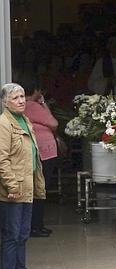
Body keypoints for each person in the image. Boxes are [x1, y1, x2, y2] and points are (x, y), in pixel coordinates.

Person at [0, 83, 47, 269]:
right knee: (11, 235)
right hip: (13, 190)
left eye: (22, 96)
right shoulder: (4, 123)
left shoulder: (24, 120)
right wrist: (10, 185)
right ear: (5, 102)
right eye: (15, 98)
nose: (20, 101)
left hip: (27, 186)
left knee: (22, 234)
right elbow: (3, 158)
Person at [22, 81, 58, 238]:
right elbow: (54, 123)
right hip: (44, 152)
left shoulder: (24, 105)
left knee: (36, 189)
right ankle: (36, 226)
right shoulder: (33, 106)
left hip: (36, 151)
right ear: (35, 90)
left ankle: (35, 225)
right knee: (40, 189)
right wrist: (43, 103)